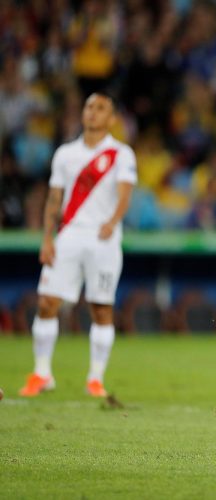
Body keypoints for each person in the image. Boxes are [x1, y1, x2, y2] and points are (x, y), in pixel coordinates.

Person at [19, 93, 136, 398]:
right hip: (69, 236)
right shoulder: (65, 154)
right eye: (89, 107)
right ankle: (42, 373)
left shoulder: (121, 154)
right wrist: (48, 237)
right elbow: (54, 198)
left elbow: (125, 195)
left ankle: (95, 378)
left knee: (101, 309)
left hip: (103, 240)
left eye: (100, 109)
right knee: (46, 302)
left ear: (111, 118)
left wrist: (112, 221)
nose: (93, 113)